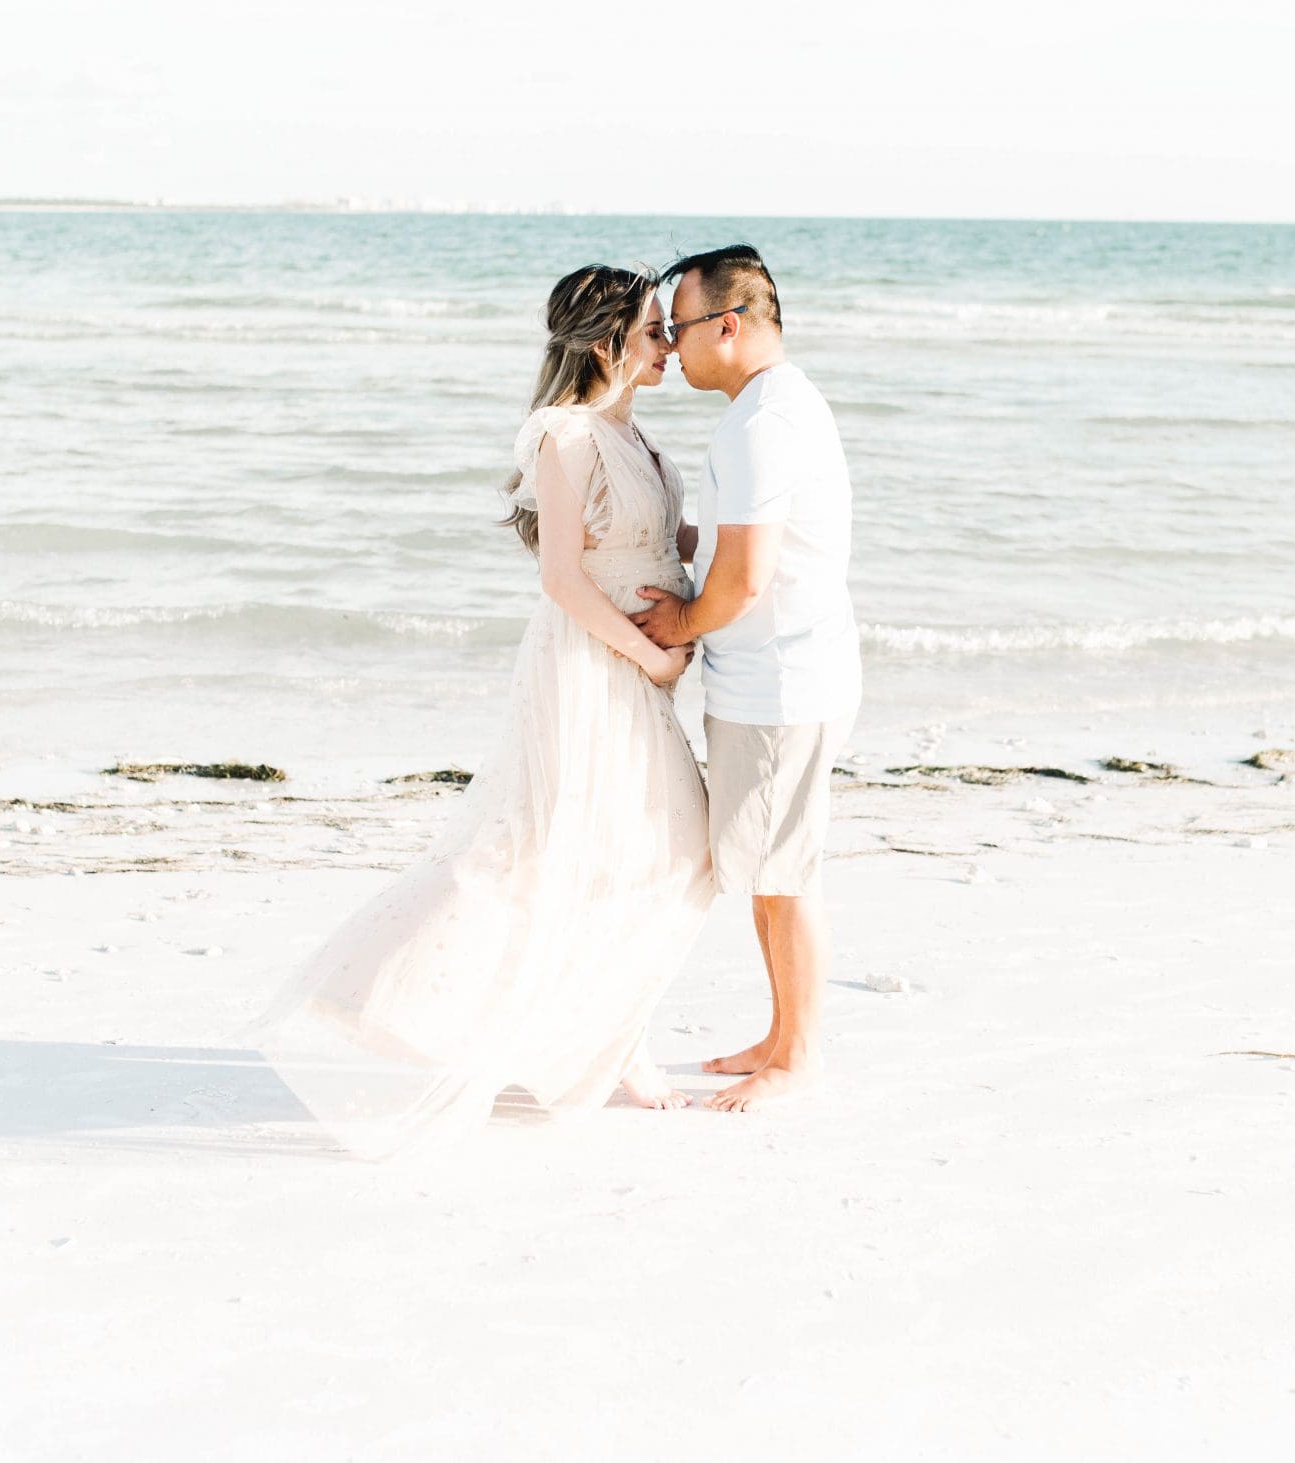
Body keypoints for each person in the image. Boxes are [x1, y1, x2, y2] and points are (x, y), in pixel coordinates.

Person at [255, 265, 716, 1157]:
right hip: (591, 666)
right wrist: (653, 651)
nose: (668, 343)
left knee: (661, 846)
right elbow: (564, 580)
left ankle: (606, 1034)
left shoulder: (636, 437)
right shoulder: (566, 436)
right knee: (563, 847)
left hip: (641, 665)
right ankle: (375, 993)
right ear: (606, 342)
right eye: (654, 330)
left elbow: (659, 541)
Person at [631, 244, 861, 1112]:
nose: (673, 345)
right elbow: (738, 546)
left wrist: (681, 622)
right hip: (784, 673)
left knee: (783, 874)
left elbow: (747, 577)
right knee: (771, 866)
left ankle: (797, 1056)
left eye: (681, 327)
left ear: (728, 326)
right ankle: (781, 1033)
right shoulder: (776, 405)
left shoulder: (764, 422)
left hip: (782, 683)